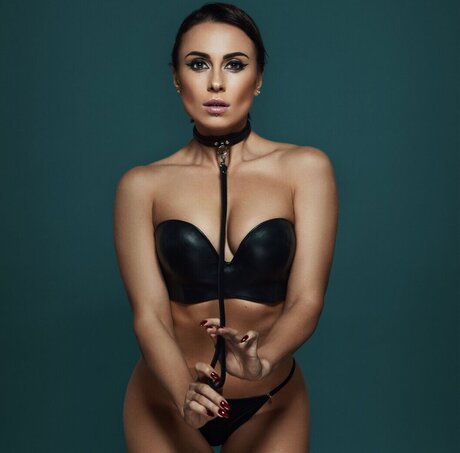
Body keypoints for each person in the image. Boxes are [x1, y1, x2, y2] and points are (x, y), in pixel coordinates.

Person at [113, 2, 338, 452]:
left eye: (235, 64)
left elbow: (307, 300)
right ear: (177, 78)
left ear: (259, 78)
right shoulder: (142, 185)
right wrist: (184, 393)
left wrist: (262, 361)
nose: (216, 82)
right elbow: (149, 317)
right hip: (167, 401)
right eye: (198, 64)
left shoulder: (306, 170)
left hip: (271, 402)